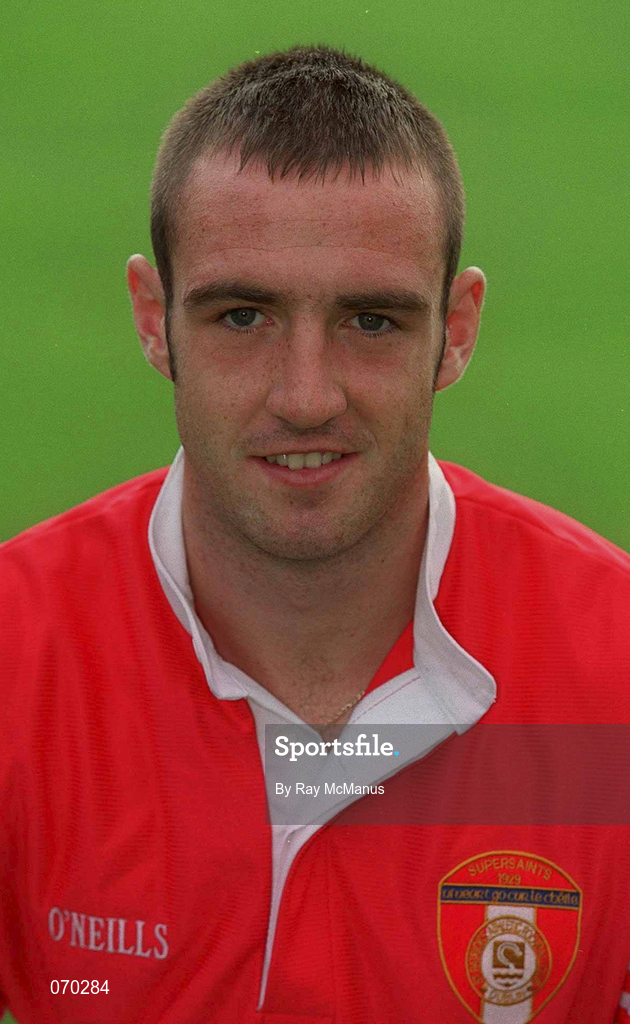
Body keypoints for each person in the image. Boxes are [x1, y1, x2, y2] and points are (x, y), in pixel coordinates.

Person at [1, 42, 629, 1024]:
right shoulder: (15, 656)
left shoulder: (615, 676)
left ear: (456, 330)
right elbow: (69, 987)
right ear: (154, 318)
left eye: (370, 322)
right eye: (242, 315)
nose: (305, 396)